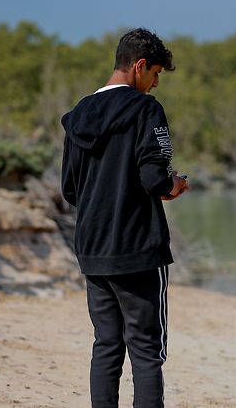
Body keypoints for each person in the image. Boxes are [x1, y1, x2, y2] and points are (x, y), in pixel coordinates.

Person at [60, 28, 188, 408]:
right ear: (139, 66)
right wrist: (174, 184)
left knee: (106, 346)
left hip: (93, 249)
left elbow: (70, 189)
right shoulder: (146, 109)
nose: (156, 84)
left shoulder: (78, 114)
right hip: (137, 250)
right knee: (146, 351)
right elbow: (153, 177)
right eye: (155, 75)